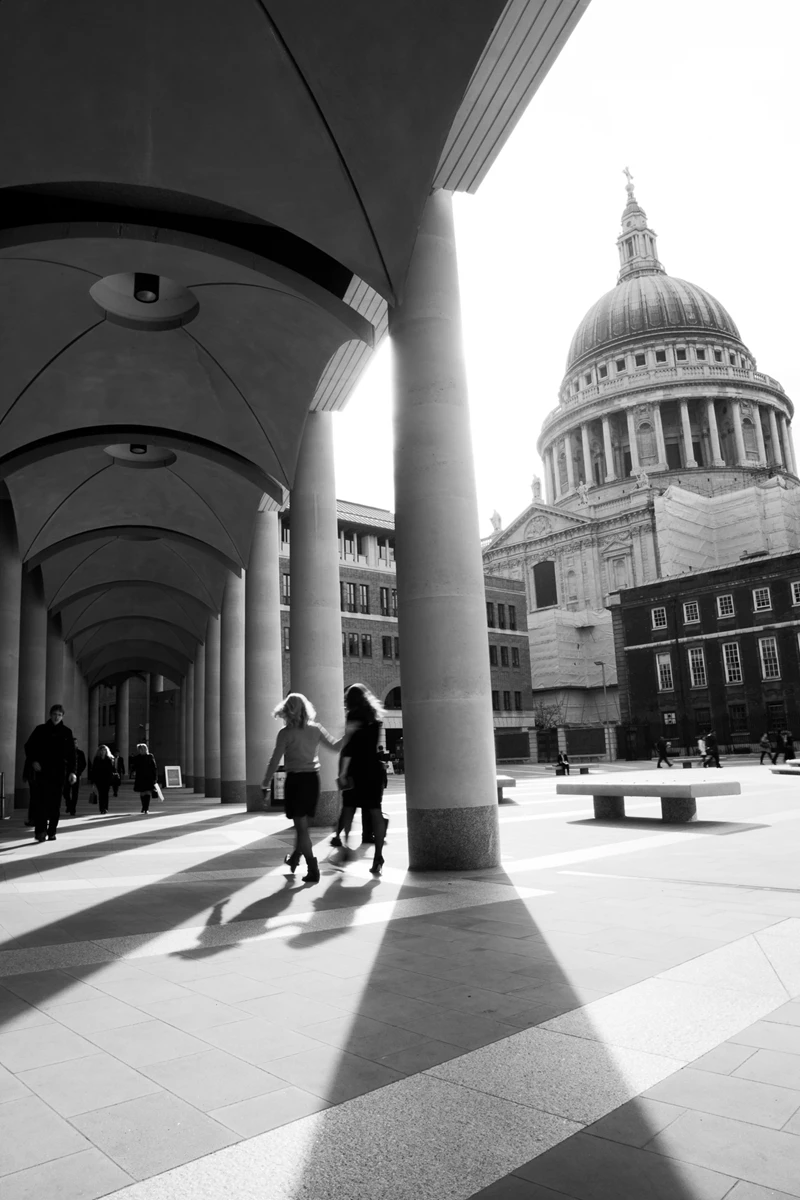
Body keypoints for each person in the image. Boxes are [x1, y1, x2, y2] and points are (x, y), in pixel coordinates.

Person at [261, 692, 343, 884]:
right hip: (313, 781)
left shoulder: (285, 733)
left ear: (287, 711)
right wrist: (350, 732)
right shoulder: (315, 730)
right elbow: (336, 746)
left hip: (296, 782)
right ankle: (296, 857)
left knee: (302, 828)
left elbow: (274, 761)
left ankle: (312, 868)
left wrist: (265, 783)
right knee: (302, 826)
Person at [336, 684, 388, 876]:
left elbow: (349, 747)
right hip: (373, 769)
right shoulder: (375, 717)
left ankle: (346, 846)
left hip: (356, 770)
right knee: (375, 811)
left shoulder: (353, 716)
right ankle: (378, 855)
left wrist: (342, 773)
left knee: (349, 809)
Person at [24, 704, 77, 842]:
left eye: (59, 714)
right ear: (50, 714)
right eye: (55, 714)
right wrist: (33, 761)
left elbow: (72, 755)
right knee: (40, 802)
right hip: (42, 772)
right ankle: (40, 831)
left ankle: (52, 830)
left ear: (62, 716)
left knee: (55, 803)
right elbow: (29, 746)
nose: (56, 717)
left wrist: (73, 772)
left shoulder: (67, 732)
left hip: (59, 773)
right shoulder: (40, 730)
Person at [131, 742, 158, 813]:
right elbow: (134, 767)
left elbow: (154, 767)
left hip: (149, 777)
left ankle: (146, 808)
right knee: (142, 793)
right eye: (139, 749)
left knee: (148, 792)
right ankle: (143, 806)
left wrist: (155, 778)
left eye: (142, 749)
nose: (141, 750)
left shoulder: (150, 756)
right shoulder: (137, 757)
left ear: (146, 749)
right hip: (140, 777)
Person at [89, 744, 116, 814]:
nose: (103, 752)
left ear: (106, 751)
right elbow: (93, 770)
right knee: (101, 794)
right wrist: (93, 781)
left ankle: (105, 808)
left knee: (106, 794)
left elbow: (112, 770)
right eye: (101, 750)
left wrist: (112, 778)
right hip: (99, 779)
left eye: (104, 750)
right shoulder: (96, 759)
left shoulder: (109, 759)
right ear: (99, 751)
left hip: (107, 779)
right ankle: (102, 808)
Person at [64, 738, 87, 815]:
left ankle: (73, 808)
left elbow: (84, 764)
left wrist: (79, 772)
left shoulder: (80, 753)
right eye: (73, 743)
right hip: (66, 775)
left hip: (76, 775)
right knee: (65, 791)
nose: (75, 744)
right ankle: (69, 804)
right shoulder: (66, 753)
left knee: (75, 792)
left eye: (76, 743)